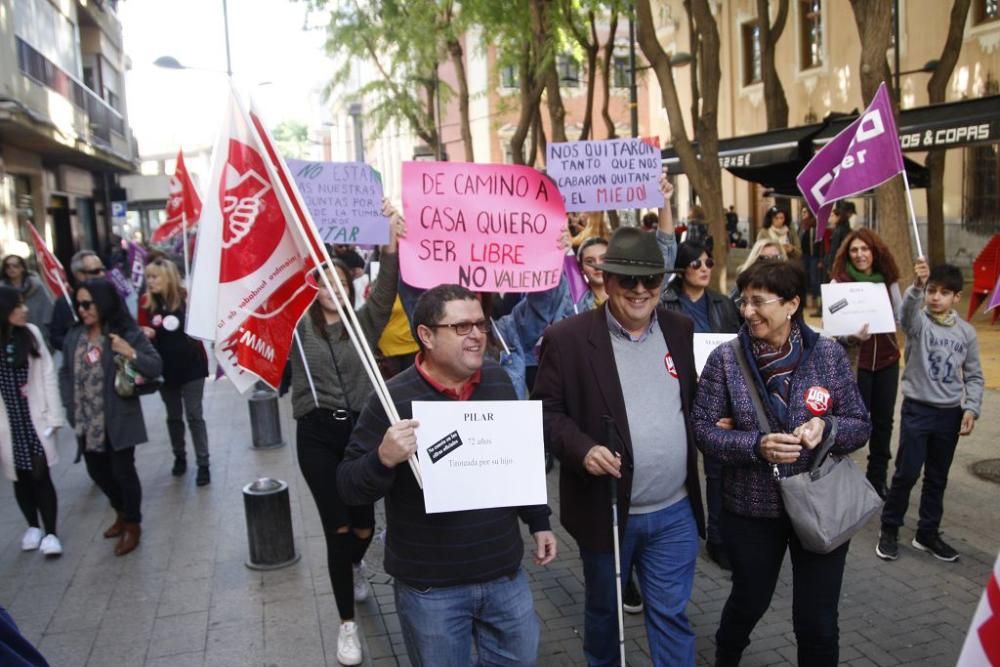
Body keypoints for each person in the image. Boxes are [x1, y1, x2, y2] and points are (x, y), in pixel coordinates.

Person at [338, 284, 557, 665]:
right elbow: (348, 486)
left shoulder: (498, 382)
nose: (475, 334)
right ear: (426, 335)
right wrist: (383, 457)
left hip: (503, 573)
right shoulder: (392, 400)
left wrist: (539, 521)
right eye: (460, 327)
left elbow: (517, 461)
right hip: (431, 589)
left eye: (479, 325)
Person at [534, 226, 705, 666]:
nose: (640, 290)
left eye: (650, 279)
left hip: (674, 511)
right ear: (606, 281)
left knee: (671, 615)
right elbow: (545, 414)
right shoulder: (567, 339)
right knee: (606, 617)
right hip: (607, 511)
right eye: (628, 279)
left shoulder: (680, 328)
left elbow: (691, 400)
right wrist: (581, 449)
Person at [691, 260, 871, 666]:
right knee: (749, 601)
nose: (748, 311)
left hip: (820, 505)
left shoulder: (827, 354)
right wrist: (756, 446)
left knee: (818, 622)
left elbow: (860, 423)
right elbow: (702, 430)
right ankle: (727, 655)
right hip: (753, 510)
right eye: (744, 301)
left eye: (759, 302)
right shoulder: (726, 359)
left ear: (791, 304)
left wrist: (825, 428)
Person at [291, 210, 402, 666]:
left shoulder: (365, 322)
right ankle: (346, 627)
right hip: (315, 434)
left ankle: (357, 561)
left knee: (364, 527)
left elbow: (389, 286)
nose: (332, 289)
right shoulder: (297, 330)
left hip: (359, 435)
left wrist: (392, 239)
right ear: (312, 290)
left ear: (350, 286)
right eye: (323, 283)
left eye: (339, 282)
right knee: (336, 530)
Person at [875, 261, 983, 563]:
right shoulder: (919, 323)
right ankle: (890, 528)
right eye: (932, 291)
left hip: (949, 414)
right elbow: (904, 316)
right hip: (918, 410)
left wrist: (971, 407)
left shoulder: (966, 333)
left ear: (956, 298)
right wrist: (917, 286)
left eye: (944, 293)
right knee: (907, 472)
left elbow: (974, 375)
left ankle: (927, 533)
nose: (936, 297)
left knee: (937, 477)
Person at [60, 279, 161, 556]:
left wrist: (128, 351)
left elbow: (154, 366)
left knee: (123, 472)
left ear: (102, 303)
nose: (82, 310)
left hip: (118, 419)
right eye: (79, 304)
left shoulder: (124, 332)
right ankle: (120, 511)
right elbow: (65, 373)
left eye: (88, 304)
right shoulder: (74, 335)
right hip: (86, 421)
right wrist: (70, 407)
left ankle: (133, 523)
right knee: (98, 472)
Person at [660, 241, 740, 573]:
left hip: (717, 396)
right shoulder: (665, 303)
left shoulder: (723, 303)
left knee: (718, 470)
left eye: (709, 261)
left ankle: (719, 538)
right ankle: (673, 535)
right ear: (681, 268)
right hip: (675, 394)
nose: (705, 267)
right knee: (678, 466)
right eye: (696, 263)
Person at [829, 229, 903, 497]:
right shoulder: (839, 283)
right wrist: (851, 336)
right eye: (854, 250)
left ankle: (877, 478)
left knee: (884, 422)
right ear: (847, 254)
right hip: (854, 365)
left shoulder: (888, 281)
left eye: (865, 249)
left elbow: (902, 316)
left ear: (875, 252)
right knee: (850, 423)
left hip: (887, 361)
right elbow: (832, 328)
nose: (860, 255)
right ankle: (841, 478)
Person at [0, 287, 65, 557]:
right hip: (8, 423)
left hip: (35, 418)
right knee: (19, 477)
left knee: (40, 474)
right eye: (17, 306)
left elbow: (48, 376)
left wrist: (54, 417)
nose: (24, 310)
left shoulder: (32, 333)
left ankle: (51, 532)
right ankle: (32, 526)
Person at [138, 259, 211, 485]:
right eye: (148, 277)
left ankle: (203, 463)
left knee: (194, 415)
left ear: (167, 277)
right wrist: (144, 331)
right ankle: (179, 455)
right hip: (165, 370)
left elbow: (204, 323)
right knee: (173, 417)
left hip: (192, 366)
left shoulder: (186, 297)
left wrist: (196, 322)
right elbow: (137, 332)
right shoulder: (145, 303)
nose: (150, 282)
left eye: (155, 277)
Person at [49, 250, 106, 351]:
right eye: (95, 271)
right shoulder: (65, 303)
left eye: (103, 270)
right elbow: (55, 338)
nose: (102, 274)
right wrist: (77, 345)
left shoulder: (113, 296)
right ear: (80, 275)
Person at [2, 255, 54, 337]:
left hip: (38, 330)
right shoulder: (2, 290)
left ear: (22, 268)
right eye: (7, 266)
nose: (11, 269)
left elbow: (48, 308)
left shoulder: (36, 286)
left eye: (15, 266)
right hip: (10, 333)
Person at [799, 208, 823, 311]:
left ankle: (816, 300)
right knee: (806, 277)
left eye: (805, 212)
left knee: (814, 278)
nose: (803, 214)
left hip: (814, 256)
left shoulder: (815, 225)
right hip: (804, 256)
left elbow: (819, 244)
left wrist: (821, 259)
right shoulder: (802, 226)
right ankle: (808, 301)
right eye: (802, 212)